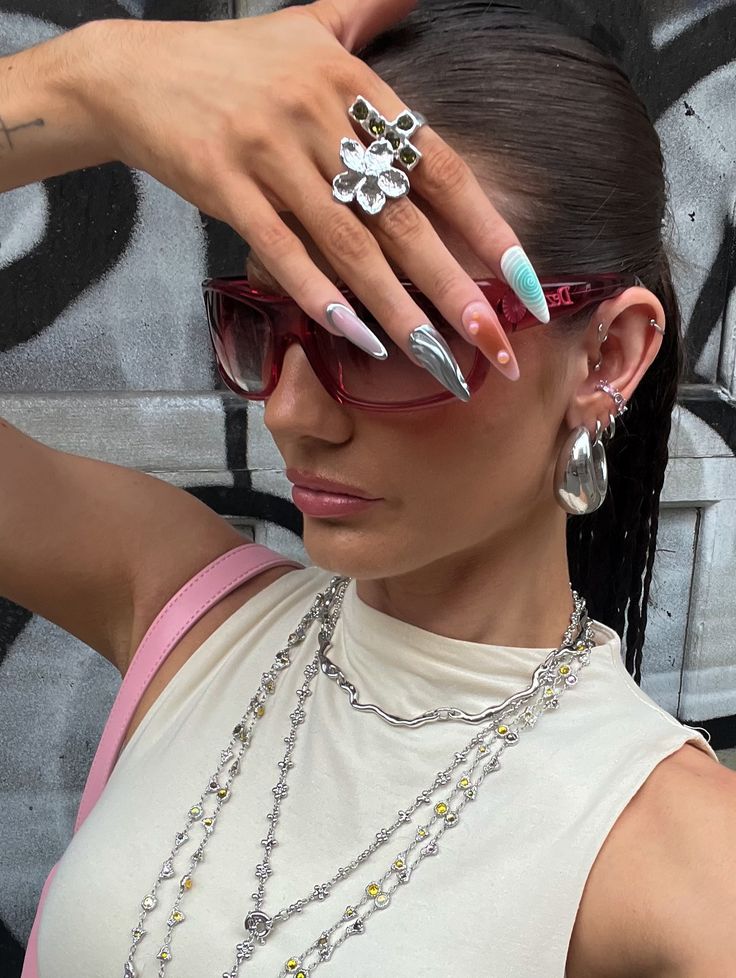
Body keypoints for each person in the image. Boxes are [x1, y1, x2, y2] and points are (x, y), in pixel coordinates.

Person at [2, 1, 734, 977]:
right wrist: (90, 82)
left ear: (607, 356)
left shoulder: (679, 859)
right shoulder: (177, 608)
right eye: (266, 321)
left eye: (389, 335)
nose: (290, 411)